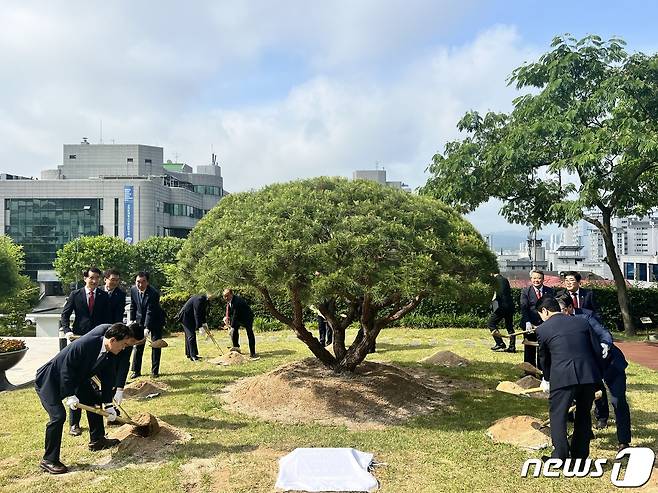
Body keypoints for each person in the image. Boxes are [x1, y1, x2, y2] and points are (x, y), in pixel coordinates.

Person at [34, 323, 136, 474]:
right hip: (50, 380)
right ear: (113, 340)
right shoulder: (86, 344)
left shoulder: (110, 353)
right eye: (123, 344)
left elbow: (108, 379)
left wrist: (108, 404)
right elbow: (66, 368)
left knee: (93, 400)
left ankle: (97, 440)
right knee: (58, 417)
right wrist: (70, 394)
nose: (124, 348)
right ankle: (49, 459)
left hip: (77, 380)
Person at [556, 294, 632, 451]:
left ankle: (624, 441)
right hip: (590, 368)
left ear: (570, 308)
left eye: (562, 310)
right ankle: (587, 432)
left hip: (610, 363)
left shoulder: (586, 318)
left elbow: (604, 333)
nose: (559, 314)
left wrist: (605, 345)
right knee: (583, 399)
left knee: (618, 401)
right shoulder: (559, 324)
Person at [536, 296, 602, 460]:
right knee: (584, 415)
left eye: (540, 314)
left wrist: (547, 378)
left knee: (558, 415)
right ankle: (580, 456)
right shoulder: (582, 322)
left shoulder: (543, 329)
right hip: (587, 376)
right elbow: (596, 350)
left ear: (545, 311)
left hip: (563, 377)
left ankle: (560, 456)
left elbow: (544, 358)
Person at [59, 266, 111, 437]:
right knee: (77, 380)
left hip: (98, 343)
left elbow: (108, 318)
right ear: (85, 278)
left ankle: (100, 417)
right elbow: (65, 315)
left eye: (97, 278)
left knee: (97, 381)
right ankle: (74, 423)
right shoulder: (75, 295)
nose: (94, 281)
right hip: (79, 342)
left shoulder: (104, 296)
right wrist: (67, 331)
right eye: (91, 278)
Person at [129, 272, 165, 378]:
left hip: (155, 321)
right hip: (140, 321)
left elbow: (150, 311)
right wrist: (132, 320)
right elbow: (133, 305)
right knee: (138, 345)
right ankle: (136, 370)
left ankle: (154, 371)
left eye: (143, 281)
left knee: (156, 345)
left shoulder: (153, 293)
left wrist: (147, 327)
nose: (140, 284)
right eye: (138, 282)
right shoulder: (133, 290)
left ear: (147, 282)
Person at [520, 270, 554, 371]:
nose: (537, 280)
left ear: (543, 279)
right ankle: (529, 372)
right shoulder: (526, 291)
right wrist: (527, 322)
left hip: (545, 325)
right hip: (530, 324)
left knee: (543, 349)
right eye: (534, 278)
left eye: (539, 278)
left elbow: (552, 307)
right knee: (529, 348)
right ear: (531, 279)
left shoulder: (550, 291)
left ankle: (542, 371)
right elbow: (524, 307)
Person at [178, 293, 213, 361]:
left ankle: (189, 354)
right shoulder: (199, 299)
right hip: (185, 317)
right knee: (191, 336)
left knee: (189, 336)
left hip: (189, 317)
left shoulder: (204, 300)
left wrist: (205, 324)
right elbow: (196, 313)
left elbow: (202, 313)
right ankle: (193, 356)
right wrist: (200, 327)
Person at [223, 288, 256, 358]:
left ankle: (253, 353)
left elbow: (235, 315)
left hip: (247, 317)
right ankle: (236, 350)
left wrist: (231, 327)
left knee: (249, 333)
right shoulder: (229, 300)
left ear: (231, 294)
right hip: (238, 318)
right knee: (234, 332)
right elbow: (228, 308)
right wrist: (227, 317)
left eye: (227, 296)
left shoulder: (237, 301)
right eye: (224, 296)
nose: (225, 298)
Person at [488, 272, 516, 352]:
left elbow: (498, 294)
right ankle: (512, 347)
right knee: (509, 327)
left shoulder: (497, 281)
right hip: (509, 306)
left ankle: (500, 343)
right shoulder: (504, 279)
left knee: (491, 323)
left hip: (501, 307)